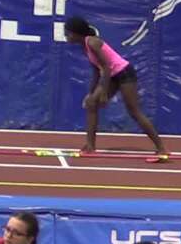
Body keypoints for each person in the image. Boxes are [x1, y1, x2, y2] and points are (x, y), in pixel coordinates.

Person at [63, 16, 169, 161]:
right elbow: (96, 70)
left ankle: (161, 149)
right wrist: (90, 93)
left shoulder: (93, 42)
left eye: (68, 33)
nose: (66, 36)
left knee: (134, 111)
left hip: (124, 73)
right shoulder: (85, 47)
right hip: (112, 76)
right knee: (91, 104)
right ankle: (90, 146)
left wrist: (104, 93)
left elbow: (106, 67)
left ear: (76, 33)